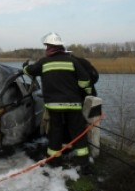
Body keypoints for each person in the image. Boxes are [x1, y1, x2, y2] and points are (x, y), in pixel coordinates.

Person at [22, 32, 92, 174]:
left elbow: (30, 71)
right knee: (78, 132)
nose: (45, 49)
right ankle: (84, 164)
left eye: (47, 46)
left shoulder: (44, 62)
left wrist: (24, 67)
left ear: (51, 48)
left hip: (54, 106)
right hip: (73, 105)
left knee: (56, 133)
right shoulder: (72, 61)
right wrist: (86, 93)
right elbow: (85, 80)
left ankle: (54, 161)